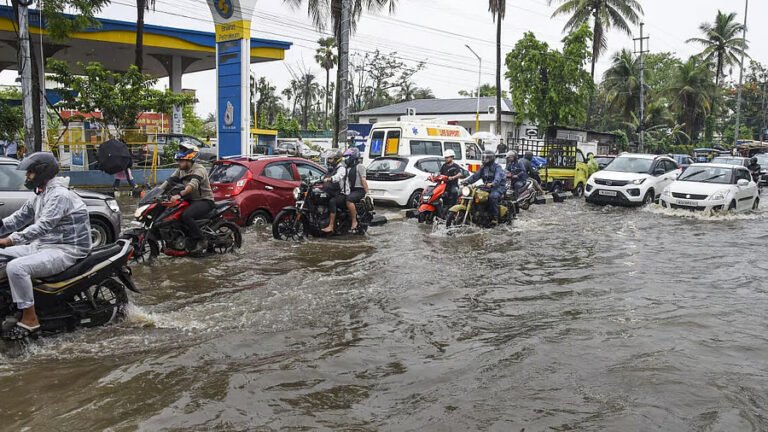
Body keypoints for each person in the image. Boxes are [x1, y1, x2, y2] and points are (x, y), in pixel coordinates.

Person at [0, 153, 92, 340]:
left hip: (66, 250)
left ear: (42, 172)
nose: (27, 177)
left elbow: (43, 226)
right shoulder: (41, 194)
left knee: (16, 268)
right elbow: (19, 218)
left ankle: (30, 318)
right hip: (43, 246)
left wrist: (9, 240)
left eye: (30, 173)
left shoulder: (59, 195)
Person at [159, 143, 215, 254]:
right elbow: (169, 181)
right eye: (178, 161)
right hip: (190, 200)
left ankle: (201, 239)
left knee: (186, 216)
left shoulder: (199, 169)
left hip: (204, 200)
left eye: (181, 161)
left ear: (189, 160)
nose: (179, 163)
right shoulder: (180, 170)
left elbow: (192, 186)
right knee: (172, 216)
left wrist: (179, 195)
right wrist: (156, 192)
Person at [462, 149, 506, 224]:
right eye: (483, 157)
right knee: (474, 193)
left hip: (498, 187)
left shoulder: (497, 167)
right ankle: (476, 212)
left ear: (491, 159)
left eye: (486, 158)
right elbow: (475, 176)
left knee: (492, 197)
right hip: (486, 186)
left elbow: (498, 177)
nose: (484, 159)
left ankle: (494, 217)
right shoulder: (483, 167)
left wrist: (493, 183)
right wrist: (466, 181)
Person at [342, 148, 369, 232]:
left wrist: (367, 193)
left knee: (349, 200)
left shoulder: (360, 167)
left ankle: (354, 220)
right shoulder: (347, 168)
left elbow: (363, 180)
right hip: (350, 190)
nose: (345, 159)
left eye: (347, 156)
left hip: (359, 190)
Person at [321, 149, 347, 233]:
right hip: (333, 192)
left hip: (342, 193)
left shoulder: (341, 167)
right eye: (328, 159)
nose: (329, 161)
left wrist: (331, 178)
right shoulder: (332, 168)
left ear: (337, 159)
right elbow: (324, 175)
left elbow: (339, 176)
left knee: (332, 202)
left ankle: (331, 226)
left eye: (331, 159)